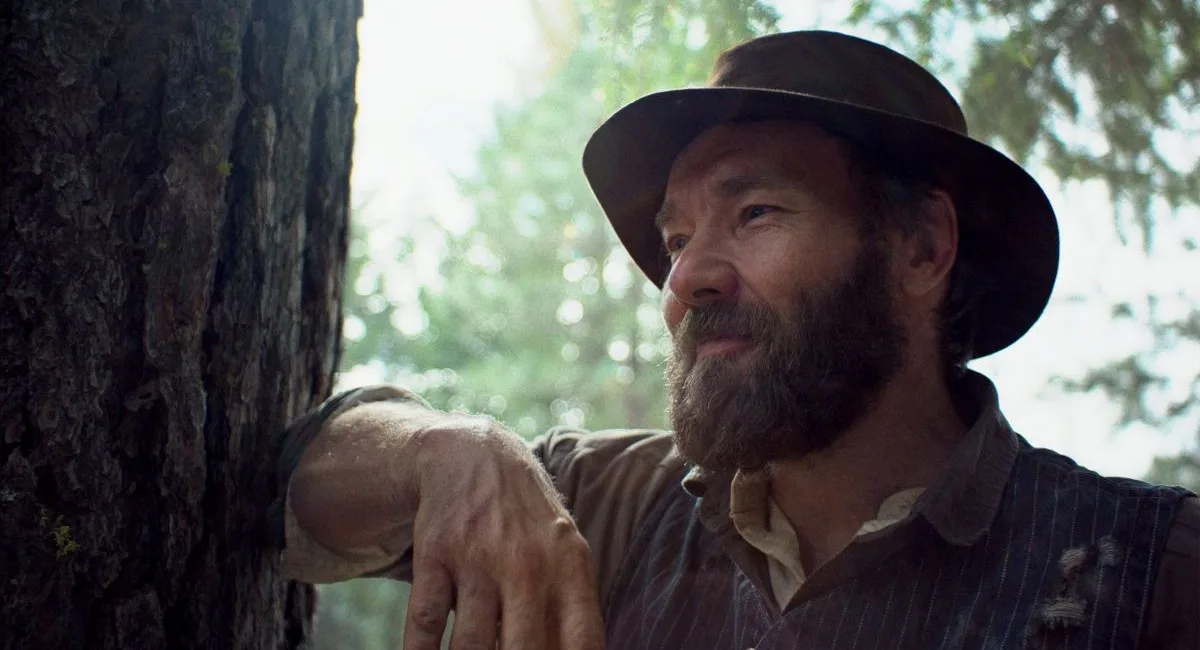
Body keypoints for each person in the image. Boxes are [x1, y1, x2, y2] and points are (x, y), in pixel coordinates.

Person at [271, 31, 1200, 649]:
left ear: (923, 247)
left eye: (756, 212)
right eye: (677, 239)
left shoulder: (1156, 573)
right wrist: (448, 451)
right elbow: (285, 487)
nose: (685, 279)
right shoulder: (600, 504)